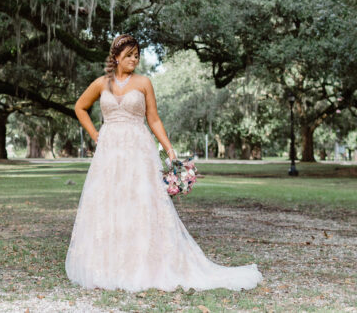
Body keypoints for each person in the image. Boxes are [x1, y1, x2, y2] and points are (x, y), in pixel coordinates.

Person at [65, 34, 263, 292]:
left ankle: (146, 264)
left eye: (137, 55)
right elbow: (80, 107)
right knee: (110, 202)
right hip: (109, 153)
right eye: (129, 55)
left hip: (138, 151)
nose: (134, 59)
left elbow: (154, 119)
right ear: (115, 57)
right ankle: (109, 265)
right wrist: (96, 135)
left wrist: (169, 150)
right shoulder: (101, 83)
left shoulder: (144, 82)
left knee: (142, 202)